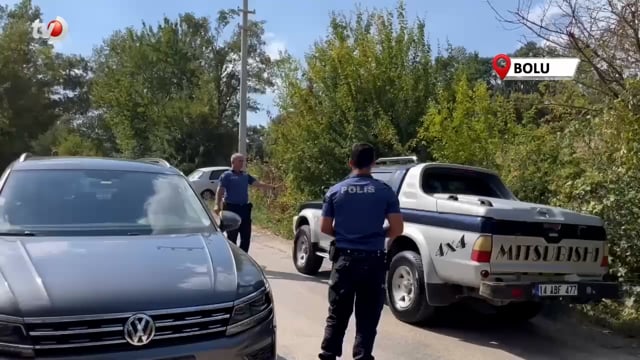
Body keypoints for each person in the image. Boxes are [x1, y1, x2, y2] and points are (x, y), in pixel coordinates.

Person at [318, 143, 404, 360]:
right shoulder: (385, 191)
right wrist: (376, 234)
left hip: (344, 260)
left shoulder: (335, 191)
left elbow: (325, 227)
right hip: (373, 263)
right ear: (373, 164)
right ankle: (362, 357)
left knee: (337, 314)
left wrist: (347, 234)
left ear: (351, 163)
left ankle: (328, 355)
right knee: (367, 318)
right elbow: (397, 229)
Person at [213, 153, 276, 252]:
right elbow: (220, 190)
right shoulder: (227, 175)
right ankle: (232, 256)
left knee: (246, 236)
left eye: (243, 161)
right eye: (240, 161)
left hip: (244, 209)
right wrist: (217, 204)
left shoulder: (245, 175)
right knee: (232, 236)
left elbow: (257, 184)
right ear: (233, 162)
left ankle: (243, 257)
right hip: (231, 209)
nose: (242, 163)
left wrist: (272, 187)